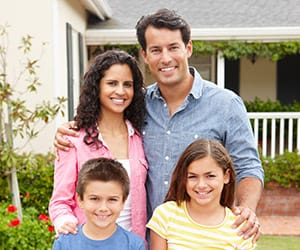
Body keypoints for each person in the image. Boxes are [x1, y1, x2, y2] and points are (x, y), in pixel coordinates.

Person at [53, 9, 264, 242]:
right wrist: (73, 129)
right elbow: (103, 119)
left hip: (200, 238)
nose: (165, 58)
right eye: (156, 50)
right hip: (143, 239)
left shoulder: (226, 105)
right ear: (145, 55)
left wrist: (246, 209)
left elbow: (248, 166)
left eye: (173, 47)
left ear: (188, 49)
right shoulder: (136, 105)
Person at [49, 50, 148, 241]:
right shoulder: (73, 139)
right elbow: (60, 201)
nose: (120, 91)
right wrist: (66, 224)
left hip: (133, 243)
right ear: (97, 87)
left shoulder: (140, 137)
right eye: (112, 83)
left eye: (127, 84)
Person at [147, 139, 255, 249]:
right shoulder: (165, 215)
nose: (201, 185)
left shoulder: (240, 226)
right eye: (192, 177)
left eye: (210, 176)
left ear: (226, 176)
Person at [52, 157, 146, 250]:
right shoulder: (65, 242)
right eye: (95, 199)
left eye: (112, 199)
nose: (103, 208)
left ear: (123, 202)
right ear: (80, 200)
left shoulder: (134, 245)